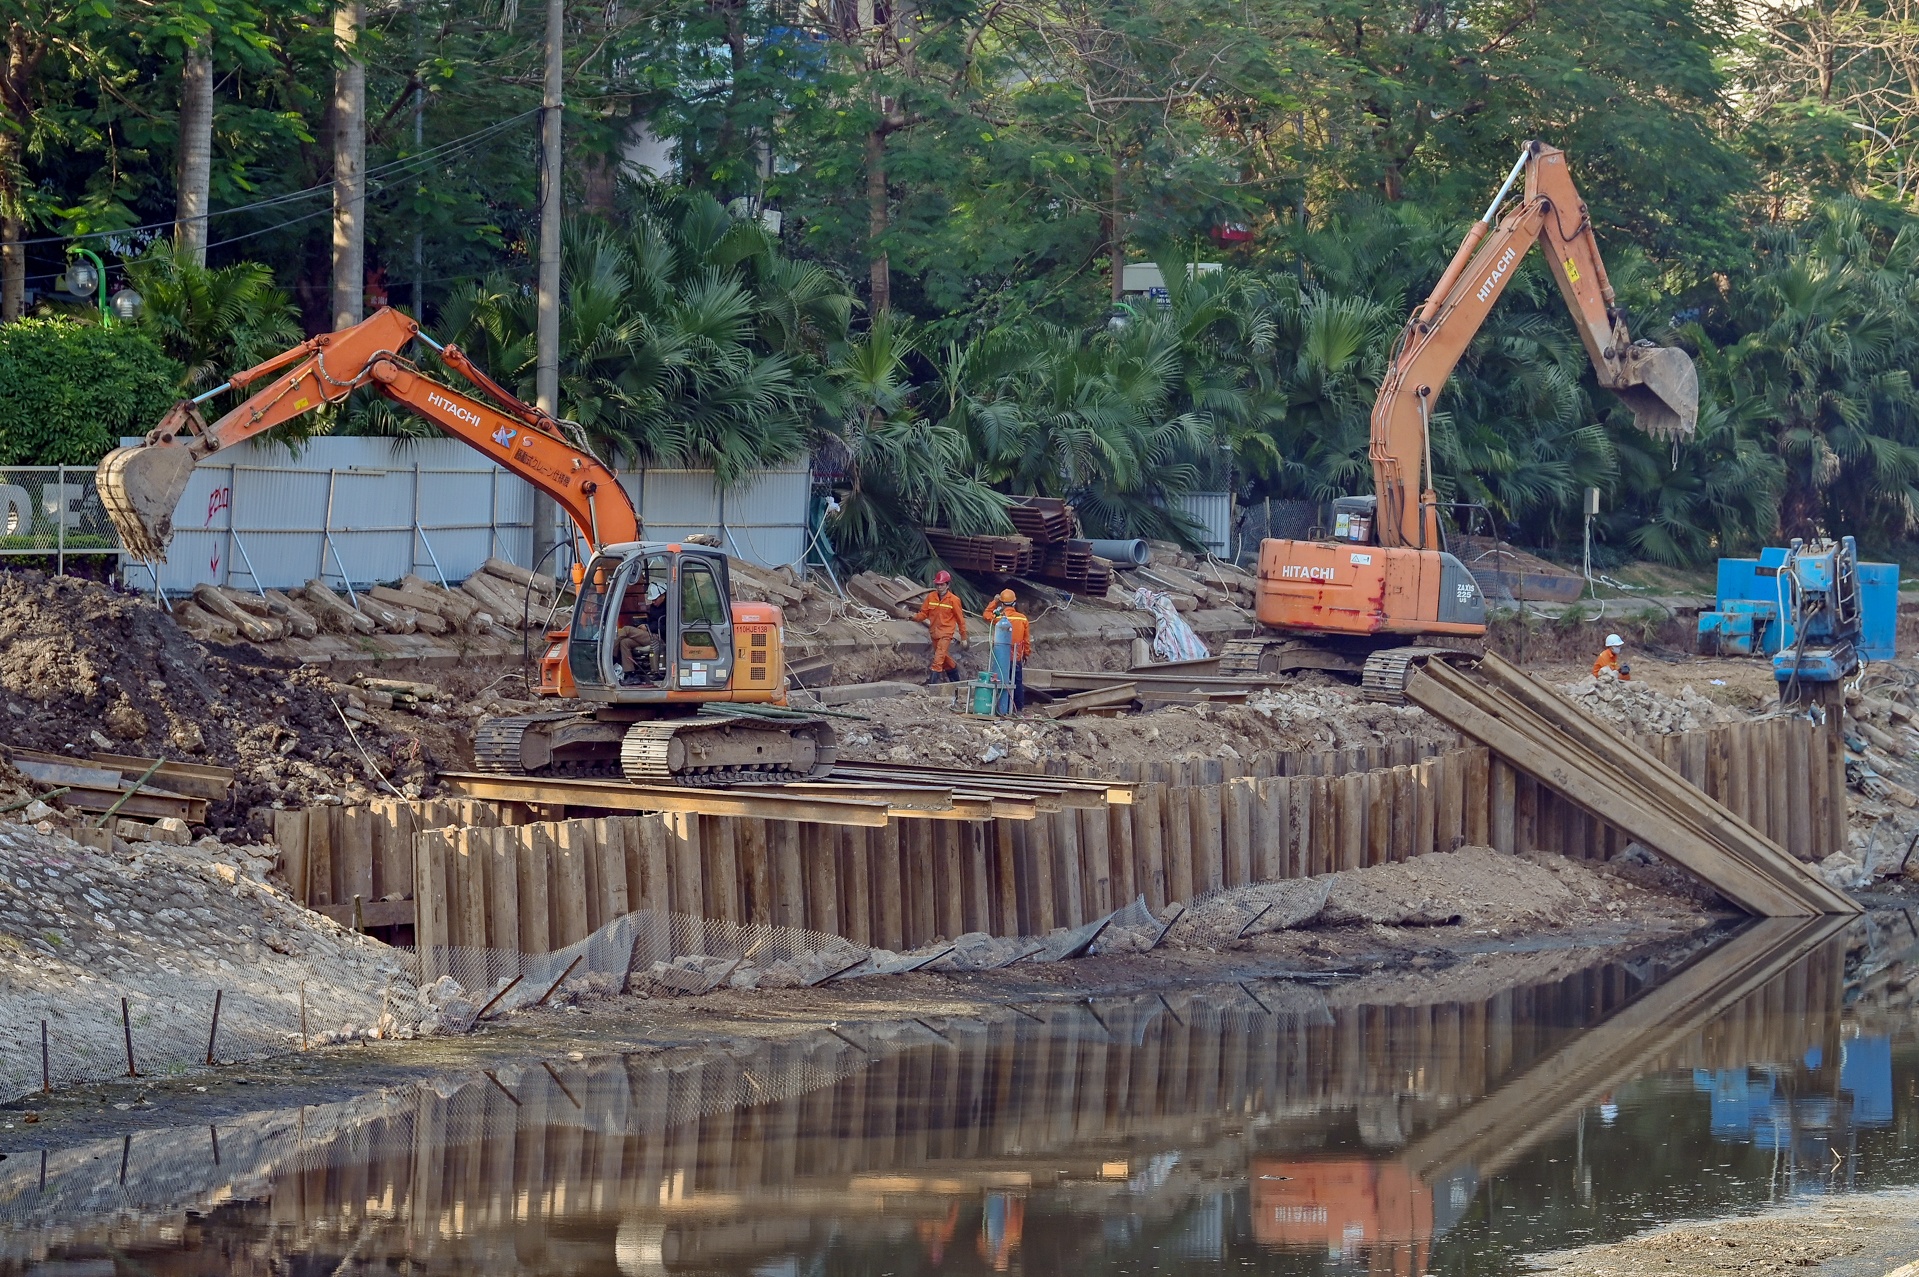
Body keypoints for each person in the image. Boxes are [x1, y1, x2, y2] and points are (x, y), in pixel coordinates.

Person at [913, 570, 968, 684]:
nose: (939, 587)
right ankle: (956, 682)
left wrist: (963, 637)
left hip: (946, 634)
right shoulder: (931, 597)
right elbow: (924, 613)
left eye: (942, 584)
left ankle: (932, 688)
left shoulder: (954, 600)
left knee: (938, 660)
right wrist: (913, 617)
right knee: (944, 658)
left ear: (947, 585)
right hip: (934, 633)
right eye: (937, 584)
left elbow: (960, 620)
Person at [983, 588, 1031, 712]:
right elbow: (1026, 640)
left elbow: (986, 614)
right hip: (1016, 657)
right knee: (1017, 683)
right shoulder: (1023, 619)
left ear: (1002, 603)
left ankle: (999, 708)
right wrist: (1026, 654)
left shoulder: (1000, 618)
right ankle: (1018, 709)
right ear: (1014, 603)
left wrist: (994, 602)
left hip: (1001, 658)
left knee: (1000, 682)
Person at [617, 580, 668, 683]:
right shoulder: (655, 607)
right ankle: (630, 673)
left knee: (627, 629)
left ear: (663, 595)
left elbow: (667, 627)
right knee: (624, 642)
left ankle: (610, 654)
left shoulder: (670, 607)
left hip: (659, 638)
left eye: (655, 599)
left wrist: (647, 626)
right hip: (650, 635)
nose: (653, 602)